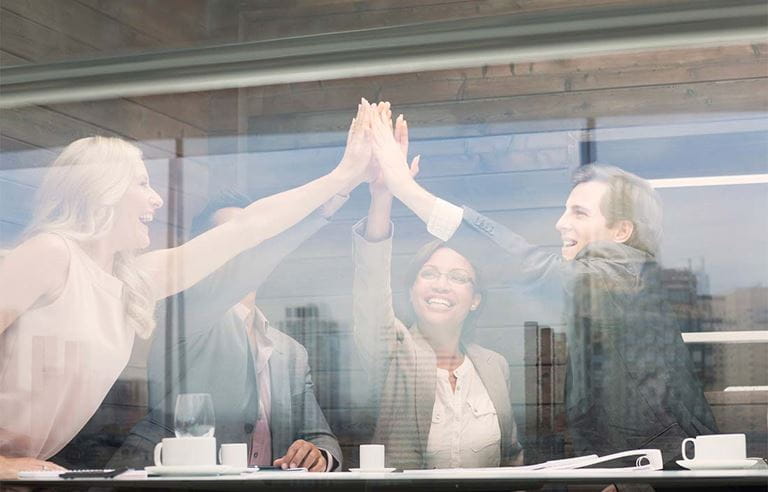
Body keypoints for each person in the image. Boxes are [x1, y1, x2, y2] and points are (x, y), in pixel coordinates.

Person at [0, 100, 373, 477]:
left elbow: (249, 228)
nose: (156, 199)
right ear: (103, 189)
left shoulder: (134, 281)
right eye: (142, 183)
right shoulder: (50, 253)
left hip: (31, 473)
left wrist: (343, 178)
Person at [368, 110, 717, 466]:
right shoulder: (614, 285)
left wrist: (405, 189)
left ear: (621, 232)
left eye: (579, 213)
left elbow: (529, 267)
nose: (560, 223)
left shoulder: (623, 273)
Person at [109, 191, 342, 472]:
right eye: (229, 240)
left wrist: (317, 454)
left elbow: (321, 438)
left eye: (250, 239)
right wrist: (320, 211)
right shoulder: (185, 315)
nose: (240, 249)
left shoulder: (291, 353)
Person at [353, 103, 523, 470]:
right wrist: (382, 196)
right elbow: (370, 293)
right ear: (412, 289)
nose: (442, 285)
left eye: (458, 277)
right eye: (429, 273)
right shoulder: (393, 354)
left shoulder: (494, 366)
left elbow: (511, 458)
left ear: (475, 300)